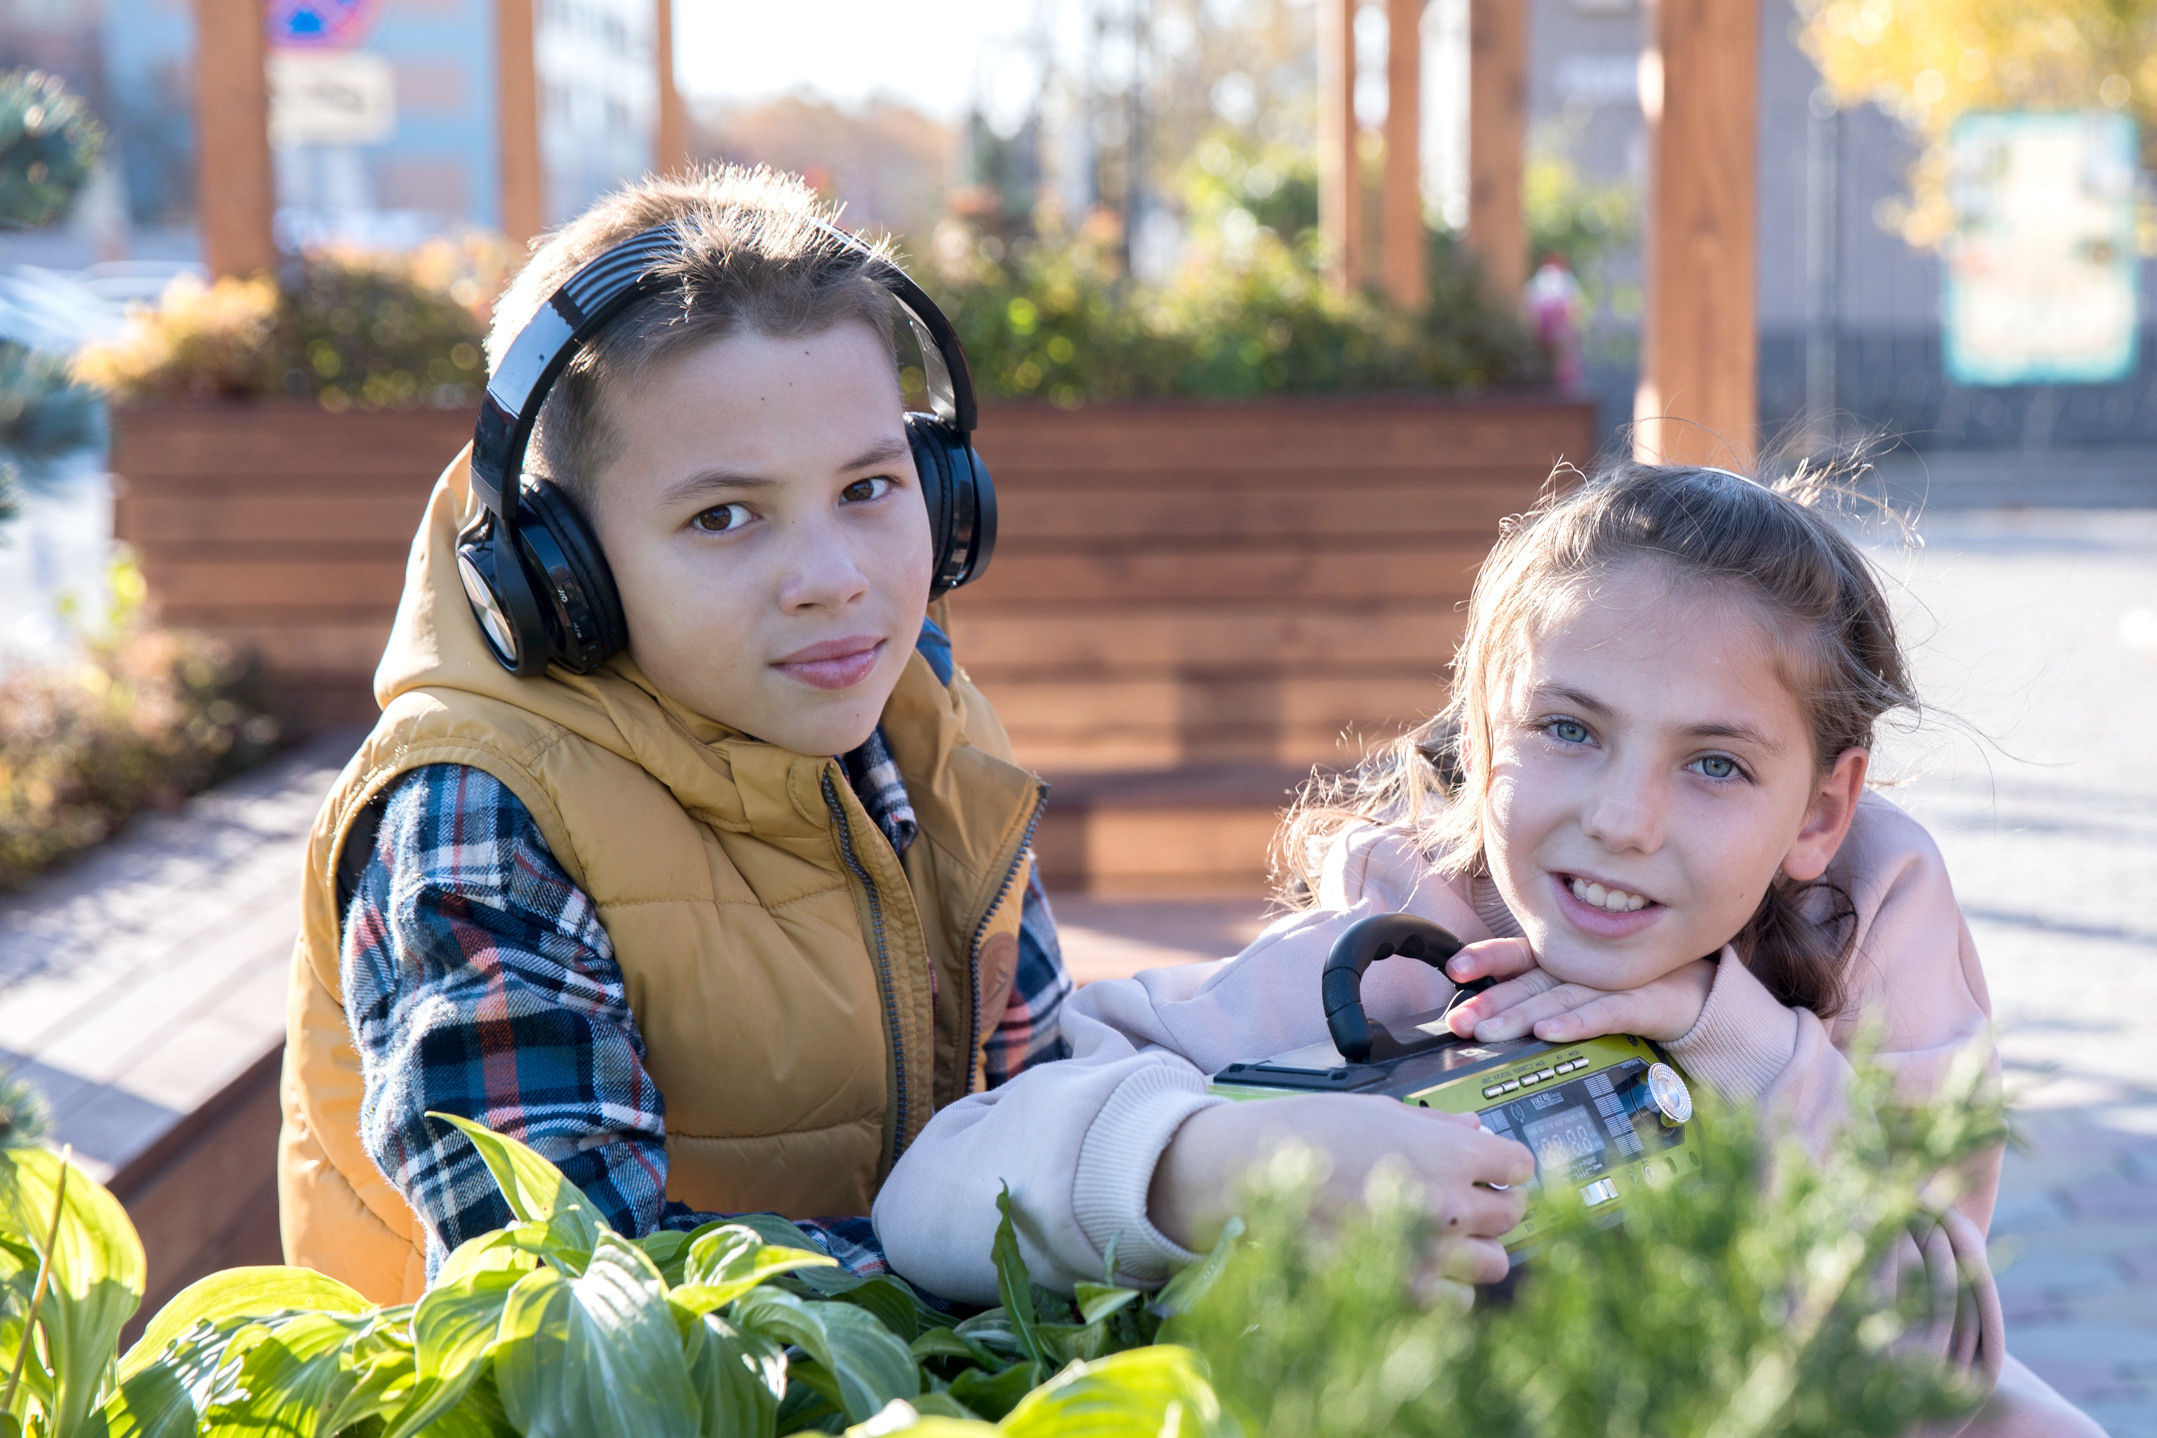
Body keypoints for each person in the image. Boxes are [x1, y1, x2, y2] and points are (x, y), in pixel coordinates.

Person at [873, 461, 2099, 1436]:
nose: (1625, 817)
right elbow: (937, 1186)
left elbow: (1930, 1323)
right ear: (1485, 728)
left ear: (1823, 811)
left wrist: (1724, 1034)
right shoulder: (1396, 955)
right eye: (1569, 728)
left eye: (1715, 762)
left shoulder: (1867, 935)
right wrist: (1237, 1156)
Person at [276, 166, 1071, 1303]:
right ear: (561, 574)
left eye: (869, 487)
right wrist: (1057, 1239)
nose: (835, 581)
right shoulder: (477, 813)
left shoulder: (915, 708)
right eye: (723, 515)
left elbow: (1037, 1080)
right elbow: (580, 1300)